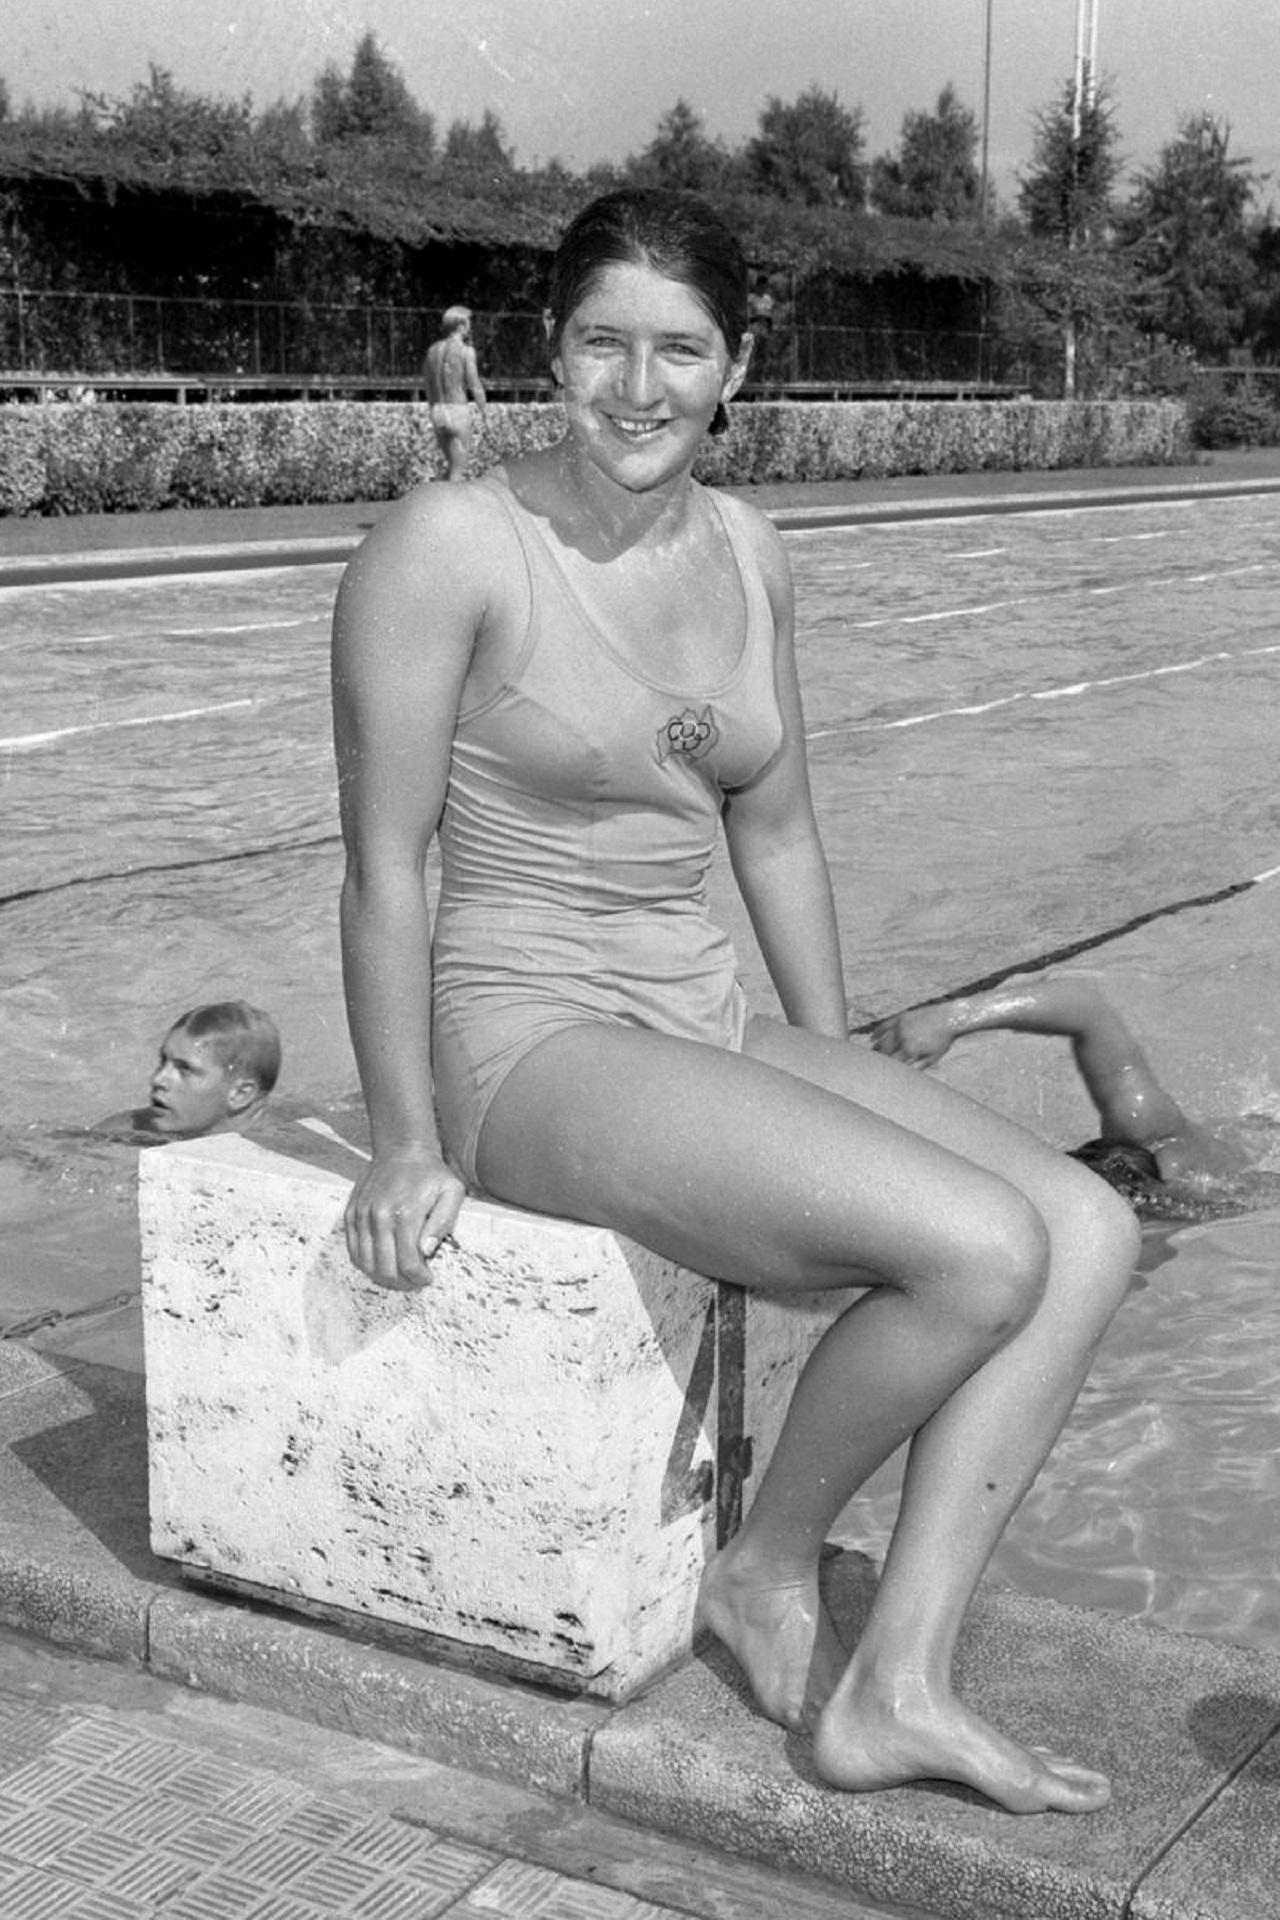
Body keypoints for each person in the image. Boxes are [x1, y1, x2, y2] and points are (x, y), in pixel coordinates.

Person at [332, 188, 1139, 1813]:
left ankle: (896, 1686)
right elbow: (386, 869)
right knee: (978, 1251)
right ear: (548, 355)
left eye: (679, 351)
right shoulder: (452, 550)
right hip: (531, 1040)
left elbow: (776, 828)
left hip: (694, 1010)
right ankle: (769, 1566)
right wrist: (407, 1135)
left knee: (1093, 1231)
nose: (640, 388)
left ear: (737, 365)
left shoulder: (755, 552)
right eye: (602, 345)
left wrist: (829, 1060)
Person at [871, 974, 1251, 1214]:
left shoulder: (1157, 1139)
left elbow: (1087, 1005)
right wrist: (950, 1019)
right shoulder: (1140, 1126)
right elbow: (1089, 1010)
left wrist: (952, 1018)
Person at [92, 1001, 281, 1141]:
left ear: (240, 1094)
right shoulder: (124, 1131)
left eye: (185, 1070)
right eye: (164, 1061)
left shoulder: (288, 1151)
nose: (158, 1079)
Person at [421, 305, 488, 482]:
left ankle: (436, 501)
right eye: (468, 324)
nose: (469, 328)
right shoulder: (466, 351)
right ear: (460, 325)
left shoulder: (432, 351)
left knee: (451, 467)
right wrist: (484, 410)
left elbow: (428, 385)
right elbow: (474, 384)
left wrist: (433, 409)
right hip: (457, 410)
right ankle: (451, 508)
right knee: (458, 472)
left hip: (438, 411)